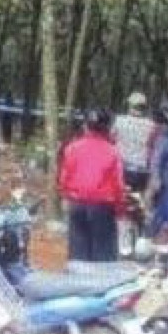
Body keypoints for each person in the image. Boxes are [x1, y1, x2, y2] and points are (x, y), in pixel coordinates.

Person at [58, 109, 127, 263]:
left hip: (77, 205)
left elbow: (64, 177)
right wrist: (120, 210)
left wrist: (65, 197)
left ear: (86, 126)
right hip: (102, 207)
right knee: (102, 257)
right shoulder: (113, 152)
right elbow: (118, 184)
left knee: (78, 256)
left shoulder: (72, 148)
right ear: (107, 127)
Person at [113, 92, 159, 192]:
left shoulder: (119, 121)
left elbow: (112, 138)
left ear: (130, 105)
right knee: (137, 194)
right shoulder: (151, 125)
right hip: (140, 168)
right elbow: (153, 145)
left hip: (120, 165)